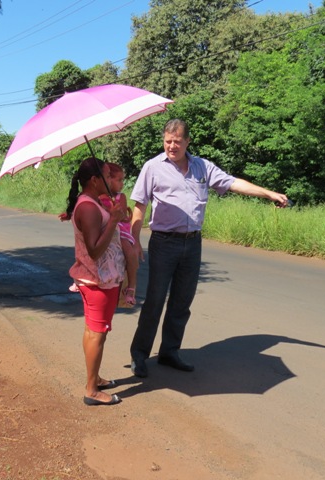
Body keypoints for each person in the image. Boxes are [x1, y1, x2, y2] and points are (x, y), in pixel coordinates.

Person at [129, 119, 289, 378]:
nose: (172, 146)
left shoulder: (202, 166)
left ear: (187, 141)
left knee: (182, 301)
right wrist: (134, 241)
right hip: (163, 243)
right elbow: (139, 206)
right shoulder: (152, 167)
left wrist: (268, 193)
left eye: (177, 142)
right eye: (168, 141)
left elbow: (233, 182)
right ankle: (139, 355)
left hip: (192, 244)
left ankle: (170, 351)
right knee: (155, 300)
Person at [63, 157, 127, 405]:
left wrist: (115, 217)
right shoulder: (88, 207)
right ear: (94, 180)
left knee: (94, 331)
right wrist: (112, 219)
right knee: (97, 333)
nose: (111, 180)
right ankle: (91, 390)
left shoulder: (92, 203)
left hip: (102, 279)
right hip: (96, 281)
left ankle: (95, 377)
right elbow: (94, 251)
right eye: (107, 175)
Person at [98, 163, 138, 307]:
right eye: (118, 180)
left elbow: (119, 215)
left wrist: (107, 208)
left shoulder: (120, 197)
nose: (122, 183)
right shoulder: (97, 196)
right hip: (104, 228)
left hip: (120, 229)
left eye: (122, 180)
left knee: (130, 253)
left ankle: (131, 287)